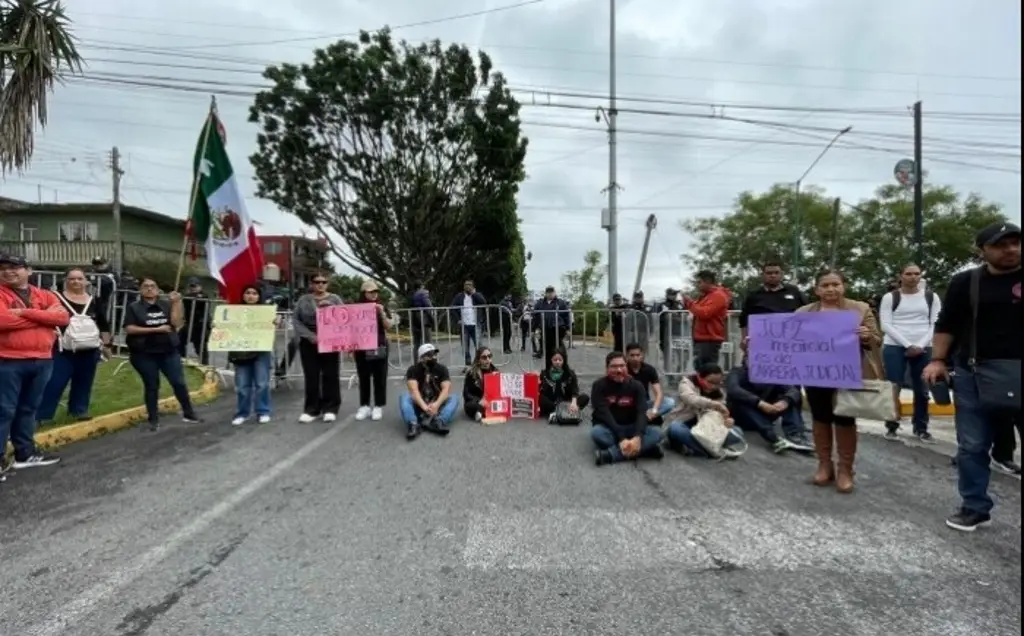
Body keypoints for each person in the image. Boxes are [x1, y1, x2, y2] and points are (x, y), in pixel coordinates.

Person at [924, 222, 1021, 532]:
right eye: (1002, 244)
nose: (1012, 249)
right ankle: (975, 507)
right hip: (974, 372)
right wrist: (938, 360)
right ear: (983, 251)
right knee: (972, 445)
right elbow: (947, 323)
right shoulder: (966, 282)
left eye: (1016, 242)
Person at [799, 269, 882, 495]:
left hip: (848, 373)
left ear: (843, 286)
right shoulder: (804, 312)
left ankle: (845, 469)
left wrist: (867, 336)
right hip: (815, 373)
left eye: (835, 284)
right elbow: (789, 340)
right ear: (816, 289)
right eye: (825, 285)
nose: (831, 289)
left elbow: (877, 340)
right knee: (820, 417)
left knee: (844, 419)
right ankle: (824, 464)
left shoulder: (860, 309)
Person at [0, 253, 68, 470]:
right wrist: (41, 318)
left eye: (15, 266)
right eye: (3, 268)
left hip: (42, 359)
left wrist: (24, 313)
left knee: (29, 408)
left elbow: (62, 318)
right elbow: (2, 321)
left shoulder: (45, 294)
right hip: (7, 360)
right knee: (4, 410)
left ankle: (24, 453)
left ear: (28, 271)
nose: (8, 271)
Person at [122, 277, 203, 431]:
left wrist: (177, 303)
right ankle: (153, 419)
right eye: (145, 286)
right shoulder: (134, 307)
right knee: (152, 385)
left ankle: (189, 413)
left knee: (178, 382)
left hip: (168, 351)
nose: (149, 289)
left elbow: (176, 323)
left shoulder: (166, 304)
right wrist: (155, 330)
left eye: (153, 286)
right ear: (140, 290)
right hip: (144, 353)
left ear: (158, 289)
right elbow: (129, 329)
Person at [37, 267, 113, 423]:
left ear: (86, 281)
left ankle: (79, 411)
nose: (76, 282)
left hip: (89, 349)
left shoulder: (94, 300)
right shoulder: (54, 298)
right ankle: (43, 416)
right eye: (72, 279)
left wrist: (107, 345)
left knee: (84, 381)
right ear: (65, 281)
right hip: (62, 349)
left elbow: (103, 324)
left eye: (79, 278)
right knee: (54, 382)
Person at [879, 263, 941, 443]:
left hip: (924, 345)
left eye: (916, 274)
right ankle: (891, 426)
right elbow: (886, 324)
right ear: (901, 276)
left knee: (922, 388)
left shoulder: (931, 297)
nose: (913, 277)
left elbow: (935, 323)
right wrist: (908, 345)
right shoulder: (891, 297)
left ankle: (921, 427)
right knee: (893, 387)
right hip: (895, 345)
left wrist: (920, 345)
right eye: (908, 274)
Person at [590, 351, 664, 465]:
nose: (619, 370)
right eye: (614, 367)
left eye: (622, 366)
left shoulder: (637, 386)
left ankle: (610, 455)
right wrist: (621, 438)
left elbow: (641, 413)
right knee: (597, 433)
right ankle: (646, 451)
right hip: (610, 428)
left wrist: (638, 436)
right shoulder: (598, 386)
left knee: (658, 433)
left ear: (627, 367)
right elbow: (604, 414)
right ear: (607, 368)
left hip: (632, 427)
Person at [725, 359, 812, 453]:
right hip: (743, 417)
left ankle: (795, 434)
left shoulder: (773, 373)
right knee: (740, 402)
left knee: (790, 399)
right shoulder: (737, 372)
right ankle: (773, 438)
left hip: (767, 412)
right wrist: (759, 403)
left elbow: (793, 390)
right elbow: (733, 389)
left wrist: (784, 402)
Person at [291, 274, 344, 423]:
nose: (320, 284)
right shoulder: (303, 300)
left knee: (331, 374)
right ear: (311, 284)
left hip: (330, 341)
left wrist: (332, 309)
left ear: (327, 284)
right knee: (311, 375)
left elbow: (345, 317)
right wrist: (310, 336)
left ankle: (331, 408)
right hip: (309, 342)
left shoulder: (335, 299)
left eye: (323, 282)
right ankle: (311, 409)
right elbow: (296, 320)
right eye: (317, 282)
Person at [665, 363, 746, 457]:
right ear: (700, 377)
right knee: (675, 428)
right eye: (710, 382)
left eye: (718, 383)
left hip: (706, 430)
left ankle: (701, 449)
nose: (714, 386)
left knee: (738, 432)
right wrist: (712, 404)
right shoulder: (686, 383)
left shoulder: (720, 393)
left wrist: (727, 421)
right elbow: (691, 399)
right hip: (685, 424)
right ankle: (712, 451)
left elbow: (720, 415)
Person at [229, 284, 275, 426]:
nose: (251, 296)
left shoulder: (266, 312)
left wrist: (275, 322)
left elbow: (272, 328)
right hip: (240, 352)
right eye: (248, 293)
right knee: (242, 385)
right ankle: (242, 413)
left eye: (254, 293)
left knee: (262, 383)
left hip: (261, 351)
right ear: (243, 295)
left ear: (259, 296)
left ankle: (263, 411)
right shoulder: (233, 312)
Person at [352, 280, 395, 422]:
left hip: (379, 346)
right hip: (361, 347)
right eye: (370, 292)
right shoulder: (356, 308)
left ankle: (378, 405)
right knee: (363, 376)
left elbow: (389, 325)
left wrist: (381, 312)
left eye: (375, 291)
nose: (373, 294)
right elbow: (349, 328)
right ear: (363, 293)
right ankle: (364, 405)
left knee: (380, 376)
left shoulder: (382, 307)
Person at [739, 260, 807, 347]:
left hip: (791, 342)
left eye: (776, 272)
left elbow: (806, 315)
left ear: (782, 274)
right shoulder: (753, 295)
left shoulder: (794, 291)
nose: (773, 275)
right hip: (762, 343)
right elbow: (744, 320)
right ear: (763, 275)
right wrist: (744, 339)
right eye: (769, 273)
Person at [399, 343, 460, 439]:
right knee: (404, 396)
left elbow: (446, 389)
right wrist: (425, 407)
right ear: (421, 357)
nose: (434, 357)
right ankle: (413, 424)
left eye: (435, 354)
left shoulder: (442, 369)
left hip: (436, 405)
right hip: (419, 405)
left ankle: (439, 422)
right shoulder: (413, 369)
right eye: (430, 355)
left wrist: (436, 405)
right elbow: (413, 391)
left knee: (454, 397)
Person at [683, 270, 732, 370]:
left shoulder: (718, 296)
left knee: (707, 370)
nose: (697, 285)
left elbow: (704, 313)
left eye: (699, 282)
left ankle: (710, 385)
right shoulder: (707, 296)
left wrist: (690, 302)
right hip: (702, 338)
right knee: (701, 368)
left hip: (709, 339)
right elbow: (698, 311)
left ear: (708, 281)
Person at [538, 347, 590, 422]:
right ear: (551, 360)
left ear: (564, 361)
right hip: (551, 403)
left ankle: (559, 412)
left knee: (585, 397)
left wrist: (574, 403)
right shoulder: (545, 373)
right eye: (555, 360)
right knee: (540, 398)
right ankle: (561, 412)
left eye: (560, 360)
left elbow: (575, 390)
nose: (558, 362)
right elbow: (541, 390)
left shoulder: (570, 374)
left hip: (566, 402)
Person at [624, 342, 675, 417]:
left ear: (642, 355)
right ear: (627, 356)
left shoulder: (649, 369)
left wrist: (654, 410)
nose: (635, 358)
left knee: (670, 402)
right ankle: (641, 417)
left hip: (645, 404)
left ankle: (647, 416)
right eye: (632, 355)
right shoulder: (623, 369)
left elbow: (658, 393)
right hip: (627, 405)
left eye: (638, 355)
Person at [450, 280, 487, 366]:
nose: (467, 286)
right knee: (465, 347)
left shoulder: (477, 295)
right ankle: (468, 365)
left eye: (469, 285)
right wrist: (458, 319)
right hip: (464, 326)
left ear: (473, 287)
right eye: (466, 284)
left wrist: (474, 294)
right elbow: (452, 308)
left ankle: (478, 363)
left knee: (478, 346)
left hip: (475, 324)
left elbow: (483, 302)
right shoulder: (459, 296)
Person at [532, 286, 570, 365]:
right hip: (545, 330)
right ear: (545, 293)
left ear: (554, 293)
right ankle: (549, 369)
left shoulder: (561, 303)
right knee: (548, 351)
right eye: (548, 292)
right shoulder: (540, 303)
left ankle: (563, 368)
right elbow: (535, 317)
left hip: (558, 330)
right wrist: (533, 329)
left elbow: (567, 316)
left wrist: (568, 329)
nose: (550, 294)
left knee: (560, 350)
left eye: (551, 292)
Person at [179, 277, 212, 365]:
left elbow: (203, 299)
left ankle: (205, 365)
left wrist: (196, 296)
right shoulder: (187, 297)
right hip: (190, 324)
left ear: (200, 286)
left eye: (195, 286)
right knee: (178, 340)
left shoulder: (205, 296)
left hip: (201, 326)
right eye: (191, 286)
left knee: (201, 349)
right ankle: (182, 359)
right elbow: (186, 298)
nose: (193, 288)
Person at [463, 346, 498, 421]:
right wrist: (479, 400)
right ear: (479, 360)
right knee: (470, 405)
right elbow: (466, 394)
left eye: (489, 356)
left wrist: (497, 379)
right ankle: (481, 411)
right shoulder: (472, 373)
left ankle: (481, 412)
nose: (488, 359)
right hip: (476, 400)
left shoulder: (495, 371)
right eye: (484, 357)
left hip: (490, 400)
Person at [409, 283, 434, 353]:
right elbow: (428, 306)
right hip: (424, 320)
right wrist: (432, 319)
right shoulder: (423, 293)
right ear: (421, 286)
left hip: (414, 320)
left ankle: (416, 362)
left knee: (416, 344)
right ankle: (429, 362)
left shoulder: (411, 295)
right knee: (428, 343)